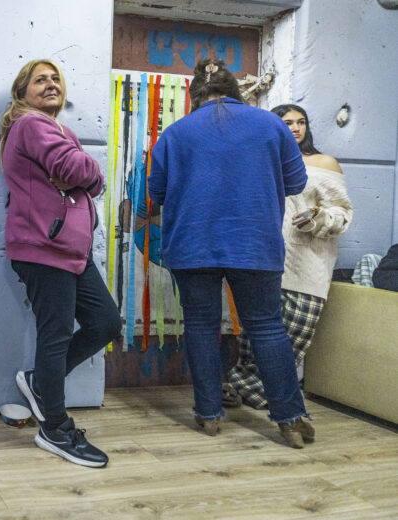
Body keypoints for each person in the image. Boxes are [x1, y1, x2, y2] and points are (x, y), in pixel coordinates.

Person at [148, 58, 315, 449]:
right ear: (236, 92)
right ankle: (291, 419)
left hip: (192, 245)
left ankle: (208, 415)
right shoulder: (271, 125)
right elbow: (296, 183)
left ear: (195, 97)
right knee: (267, 327)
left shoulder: (174, 134)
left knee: (201, 326)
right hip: (254, 242)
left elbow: (157, 193)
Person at [0, 59, 120, 468]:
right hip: (43, 247)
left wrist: (87, 173)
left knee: (105, 322)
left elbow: (92, 181)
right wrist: (86, 170)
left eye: (55, 79)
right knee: (55, 335)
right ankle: (54, 428)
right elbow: (76, 168)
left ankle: (39, 383)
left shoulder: (57, 130)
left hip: (69, 249)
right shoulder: (32, 124)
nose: (51, 84)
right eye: (40, 80)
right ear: (23, 92)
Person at [227, 104, 353, 410]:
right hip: (263, 260)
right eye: (286, 123)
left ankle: (250, 392)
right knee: (252, 340)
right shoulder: (259, 161)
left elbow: (342, 212)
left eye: (301, 122)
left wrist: (317, 217)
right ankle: (255, 395)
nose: (295, 128)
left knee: (292, 338)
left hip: (308, 263)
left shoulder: (324, 163)